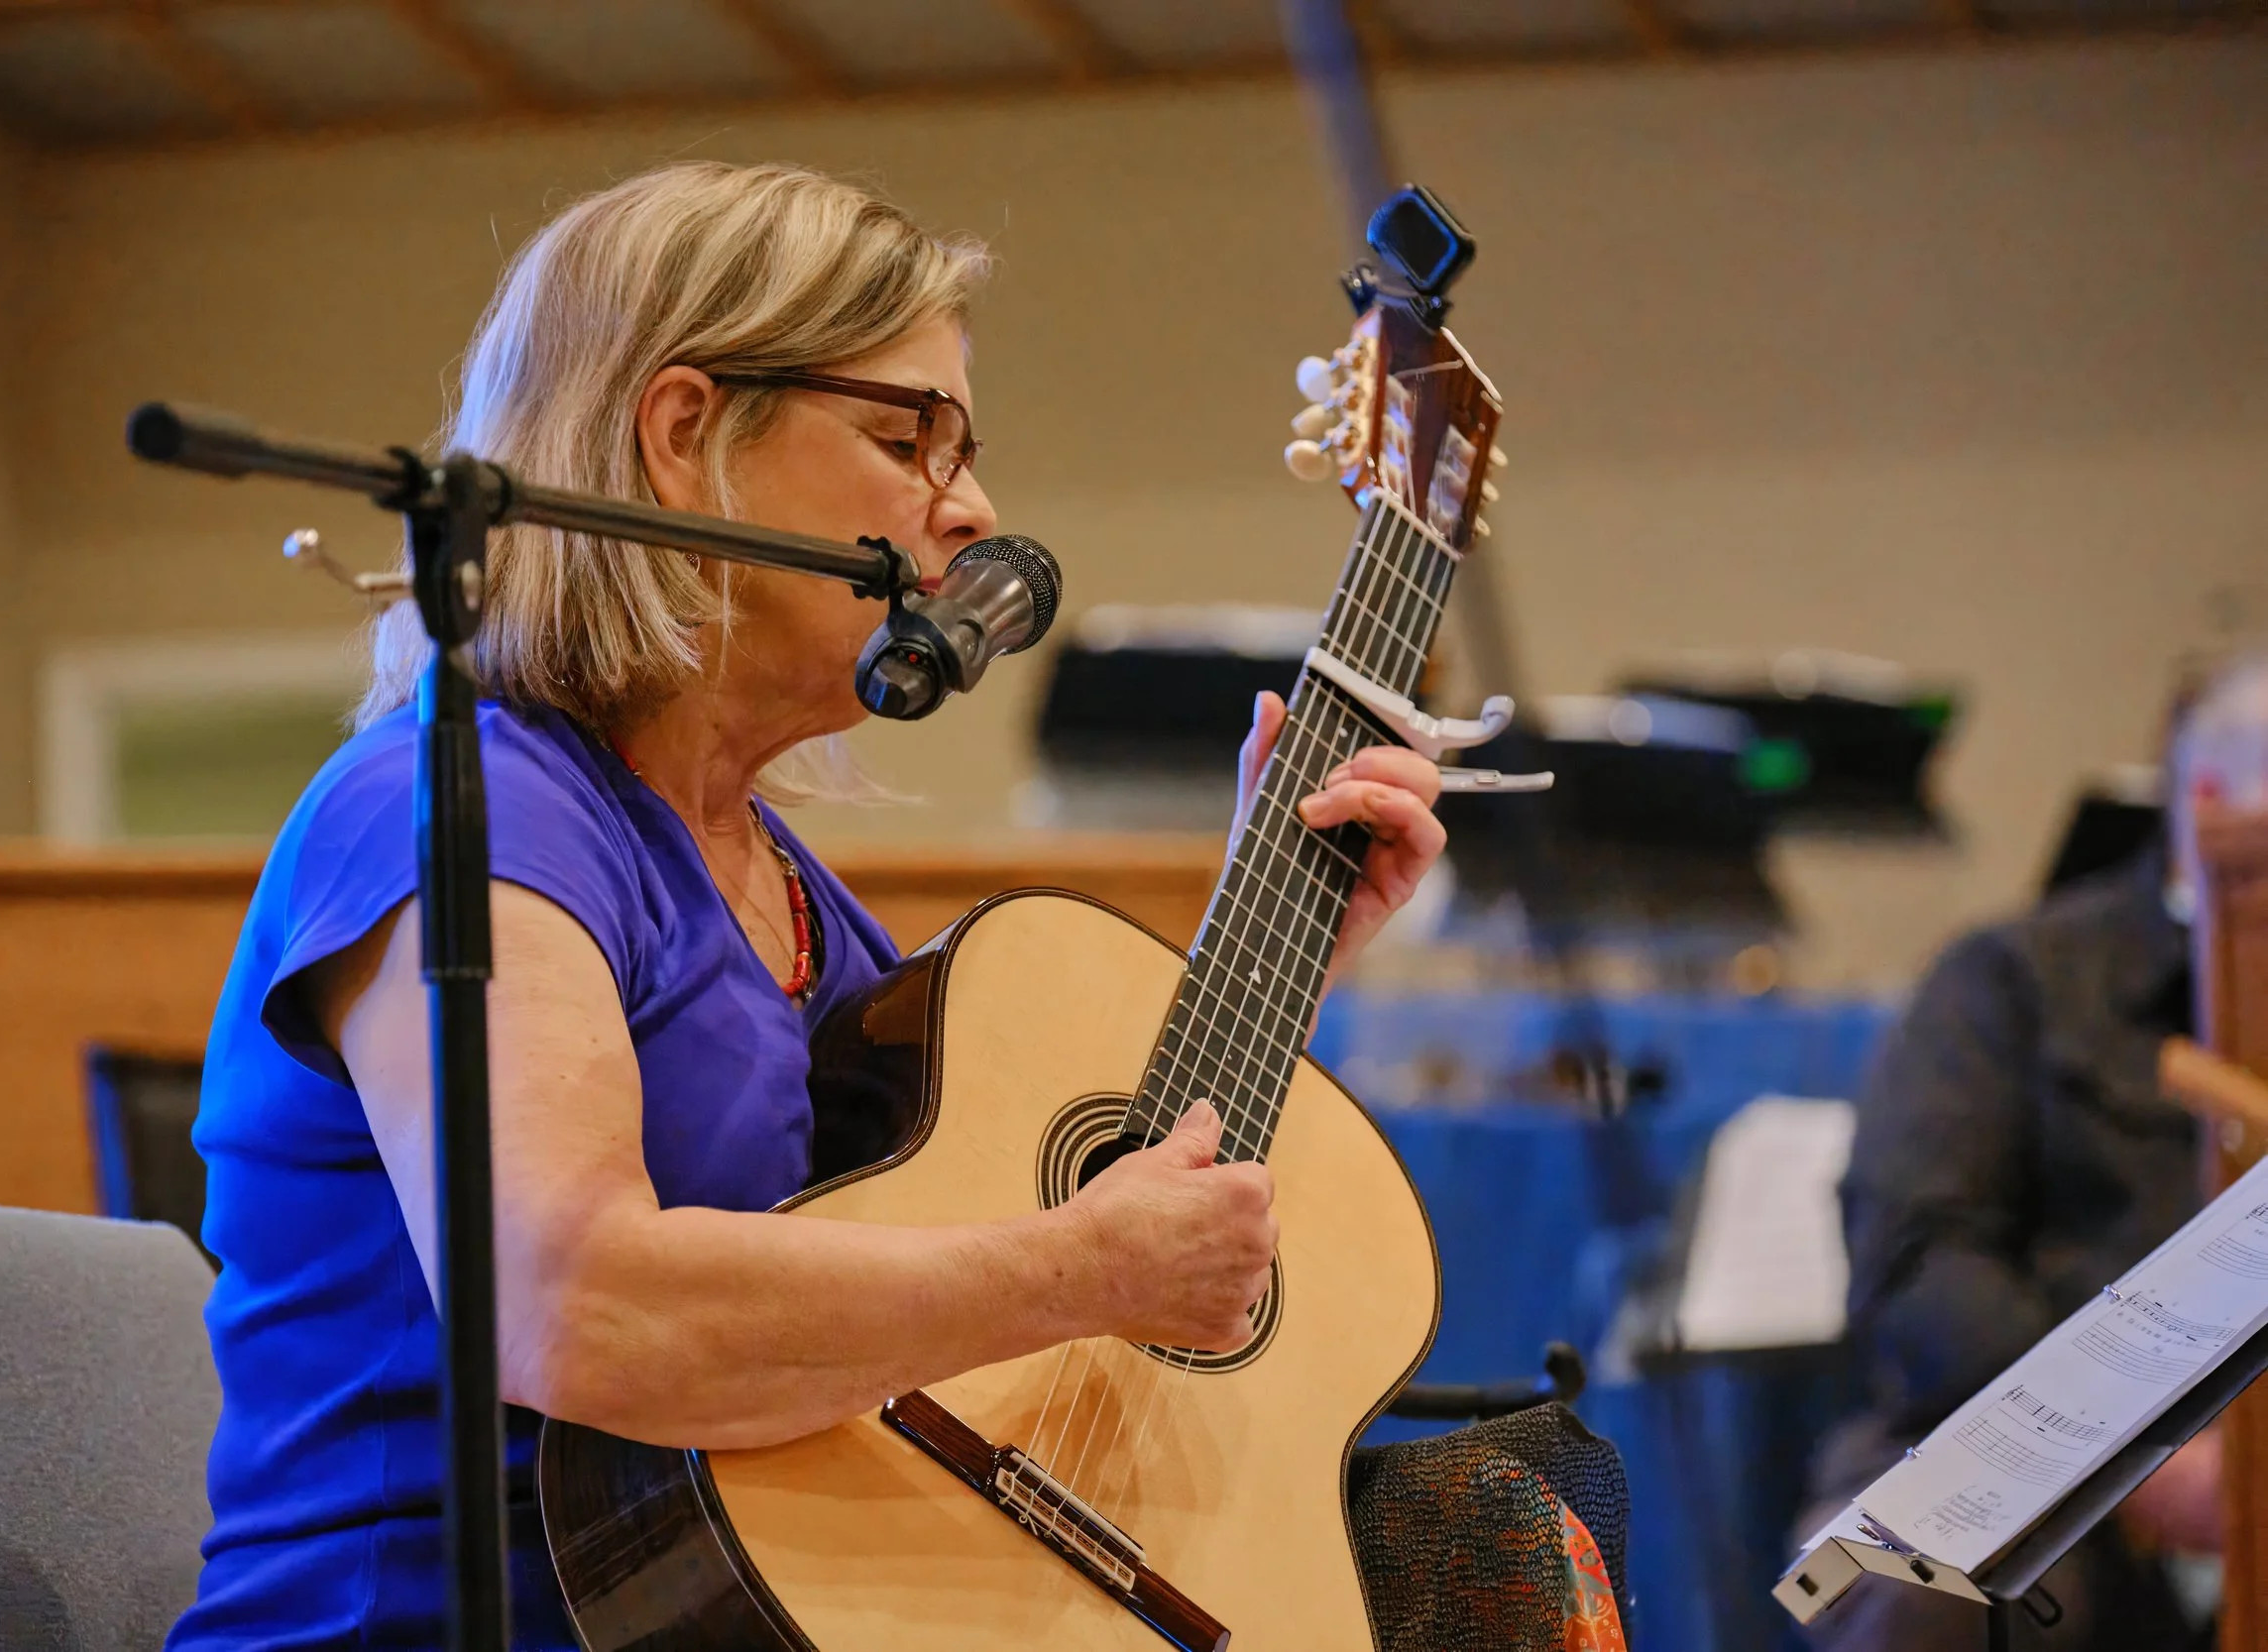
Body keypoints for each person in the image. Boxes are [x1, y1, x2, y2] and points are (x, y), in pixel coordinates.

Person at [164, 162, 1458, 1649]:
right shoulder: (449, 804)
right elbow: (572, 1300)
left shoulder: (793, 900)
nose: (971, 508)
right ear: (682, 432)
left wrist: (1284, 933)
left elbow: (947, 1295)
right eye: (909, 435)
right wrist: (1085, 1265)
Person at [1801, 655, 2268, 1651]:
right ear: (2206, 800)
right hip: (2033, 1463)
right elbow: (1920, 1271)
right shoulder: (2014, 978)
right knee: (1919, 1598)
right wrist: (2140, 1454)